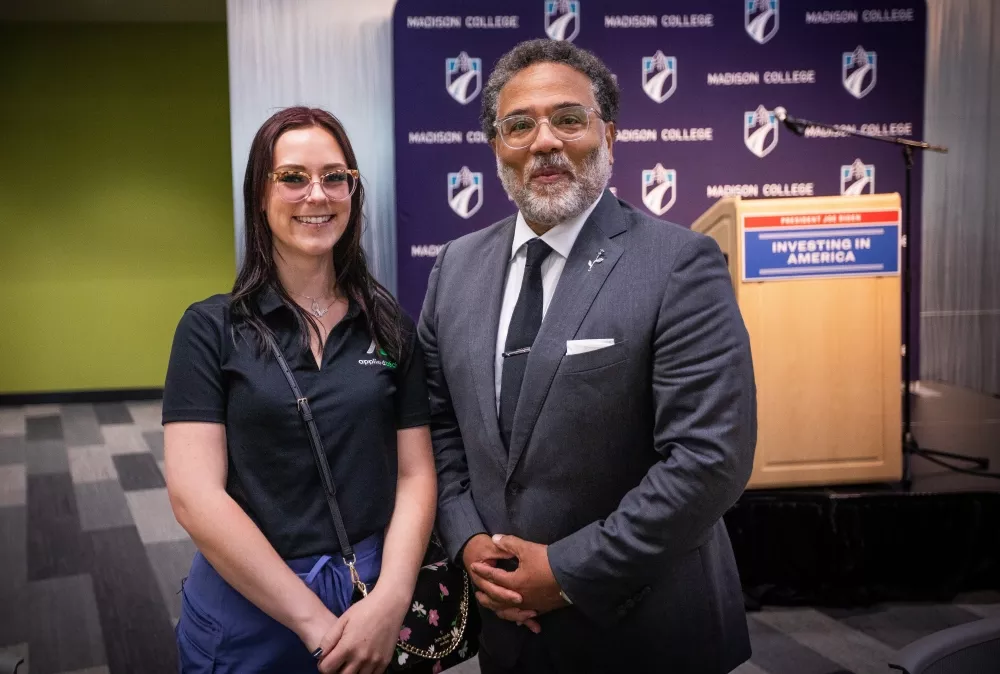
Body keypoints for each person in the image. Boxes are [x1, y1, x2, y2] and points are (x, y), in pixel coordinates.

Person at [417, 39, 757, 673]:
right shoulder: (454, 268)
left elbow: (710, 458)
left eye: (568, 119)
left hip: (644, 630)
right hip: (509, 633)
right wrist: (466, 540)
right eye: (519, 125)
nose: (544, 140)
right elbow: (440, 425)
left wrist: (568, 570)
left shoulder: (678, 264)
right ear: (498, 146)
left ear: (610, 135)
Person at [162, 106, 437, 674]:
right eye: (292, 177)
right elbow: (195, 497)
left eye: (335, 176)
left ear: (352, 192)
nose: (317, 194)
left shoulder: (389, 325)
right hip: (251, 599)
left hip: (373, 592)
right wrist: (314, 624)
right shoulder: (210, 328)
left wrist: (390, 600)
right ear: (260, 196)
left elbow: (415, 474)